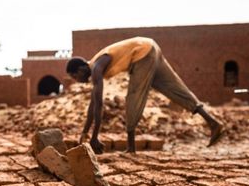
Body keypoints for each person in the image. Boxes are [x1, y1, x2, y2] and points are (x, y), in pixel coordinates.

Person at [66, 36, 224, 154]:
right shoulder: (97, 65)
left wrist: (94, 137)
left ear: (80, 70)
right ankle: (213, 122)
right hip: (151, 47)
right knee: (173, 88)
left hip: (142, 54)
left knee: (134, 96)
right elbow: (92, 105)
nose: (77, 81)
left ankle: (131, 147)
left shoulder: (96, 68)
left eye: (74, 77)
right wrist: (86, 133)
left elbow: (98, 104)